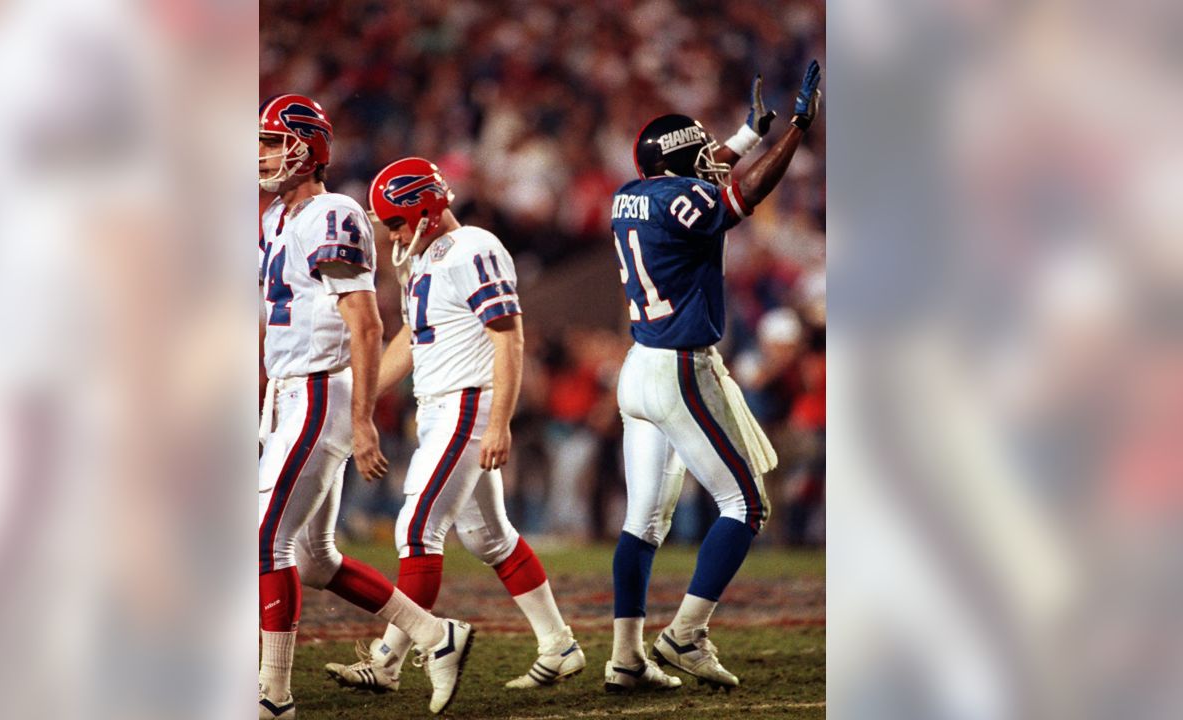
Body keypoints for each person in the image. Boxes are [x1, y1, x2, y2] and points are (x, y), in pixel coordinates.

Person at [323, 157, 585, 693]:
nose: (392, 233)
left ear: (423, 209)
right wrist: (360, 395)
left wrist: (500, 423)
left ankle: (390, 662)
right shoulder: (429, 260)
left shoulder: (474, 248)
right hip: (446, 405)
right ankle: (558, 644)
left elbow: (508, 338)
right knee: (490, 537)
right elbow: (412, 344)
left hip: (467, 405)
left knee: (417, 530)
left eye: (395, 220)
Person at [603, 61, 823, 693]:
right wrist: (796, 132)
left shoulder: (632, 193)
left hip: (637, 369)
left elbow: (701, 170)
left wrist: (747, 133)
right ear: (682, 165)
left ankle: (625, 658)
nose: (713, 159)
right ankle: (685, 633)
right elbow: (741, 193)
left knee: (641, 523)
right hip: (679, 368)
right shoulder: (686, 197)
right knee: (746, 504)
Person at [257, 96, 474, 718]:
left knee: (264, 538)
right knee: (311, 557)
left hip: (322, 388)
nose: (265, 154)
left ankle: (273, 696)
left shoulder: (333, 212)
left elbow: (367, 322)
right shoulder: (276, 218)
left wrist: (361, 421)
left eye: (275, 142)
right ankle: (438, 635)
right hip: (288, 390)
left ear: (309, 147)